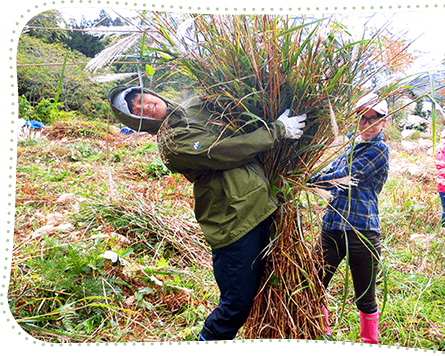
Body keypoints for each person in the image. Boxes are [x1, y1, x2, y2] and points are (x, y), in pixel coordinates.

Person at [109, 85, 306, 341]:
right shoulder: (172, 144)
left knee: (260, 286)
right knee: (236, 304)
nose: (145, 106)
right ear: (140, 124)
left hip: (262, 206)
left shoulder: (196, 106)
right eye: (137, 112)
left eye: (139, 98)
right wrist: (277, 130)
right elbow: (224, 151)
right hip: (233, 220)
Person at [309, 93, 389, 344]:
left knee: (364, 296)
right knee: (313, 283)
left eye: (372, 119)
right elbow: (330, 171)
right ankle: (324, 333)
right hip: (332, 227)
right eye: (362, 119)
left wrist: (308, 179)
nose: (366, 124)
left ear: (383, 122)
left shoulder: (379, 149)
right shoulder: (349, 147)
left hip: (362, 232)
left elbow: (346, 175)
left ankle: (369, 340)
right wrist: (312, 176)